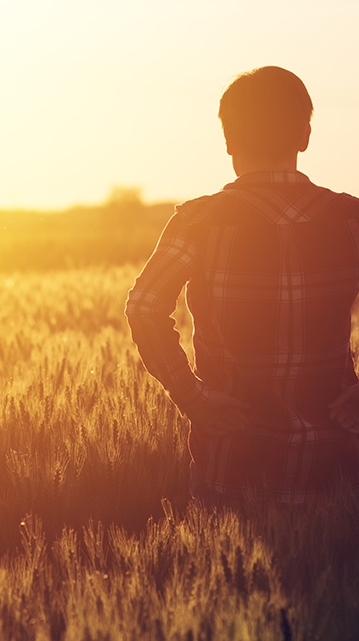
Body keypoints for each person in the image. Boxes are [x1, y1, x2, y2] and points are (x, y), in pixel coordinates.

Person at [125, 66, 359, 506]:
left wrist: (193, 399)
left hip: (233, 462)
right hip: (340, 464)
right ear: (305, 136)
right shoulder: (352, 220)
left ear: (229, 141)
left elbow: (143, 307)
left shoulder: (199, 222)